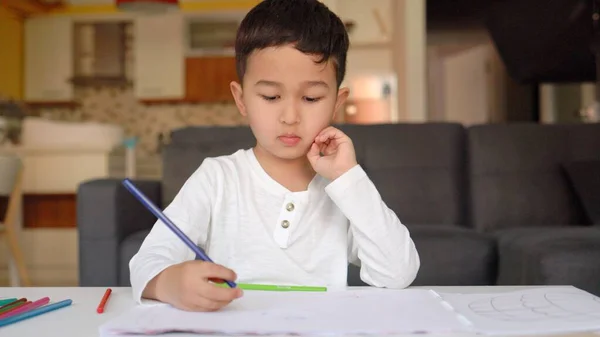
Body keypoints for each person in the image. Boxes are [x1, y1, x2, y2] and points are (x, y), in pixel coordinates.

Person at [129, 0, 420, 312]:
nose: (290, 116)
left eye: (311, 97)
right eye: (270, 96)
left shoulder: (343, 189)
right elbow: (147, 261)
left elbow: (397, 273)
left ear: (337, 102)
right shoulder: (217, 178)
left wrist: (348, 179)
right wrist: (170, 283)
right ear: (241, 99)